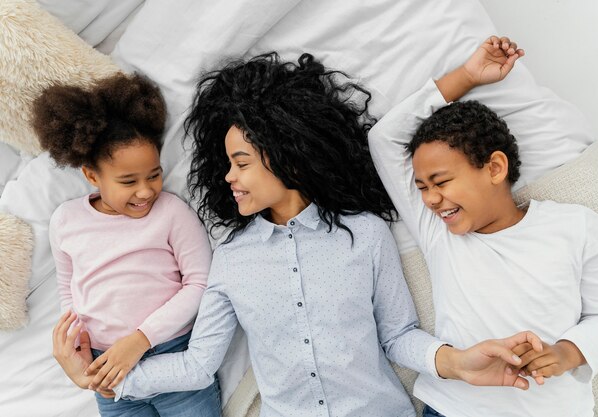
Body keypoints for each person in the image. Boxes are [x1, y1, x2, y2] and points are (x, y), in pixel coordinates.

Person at [54, 53, 542, 417]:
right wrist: (102, 383)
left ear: (286, 154)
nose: (228, 176)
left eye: (240, 162)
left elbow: (397, 336)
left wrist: (455, 363)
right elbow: (197, 367)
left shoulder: (365, 235)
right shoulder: (231, 259)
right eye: (226, 164)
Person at [368, 36, 598, 417]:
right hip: (454, 409)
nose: (431, 199)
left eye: (440, 182)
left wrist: (567, 353)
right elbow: (384, 139)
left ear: (495, 168)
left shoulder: (576, 227)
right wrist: (466, 76)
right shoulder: (438, 232)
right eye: (422, 188)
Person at [34, 73, 221, 417]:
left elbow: (202, 283)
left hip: (173, 355)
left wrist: (141, 339)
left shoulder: (171, 211)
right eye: (128, 181)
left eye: (154, 174)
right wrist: (76, 342)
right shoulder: (65, 220)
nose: (146, 190)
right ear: (92, 175)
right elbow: (69, 290)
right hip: (106, 367)